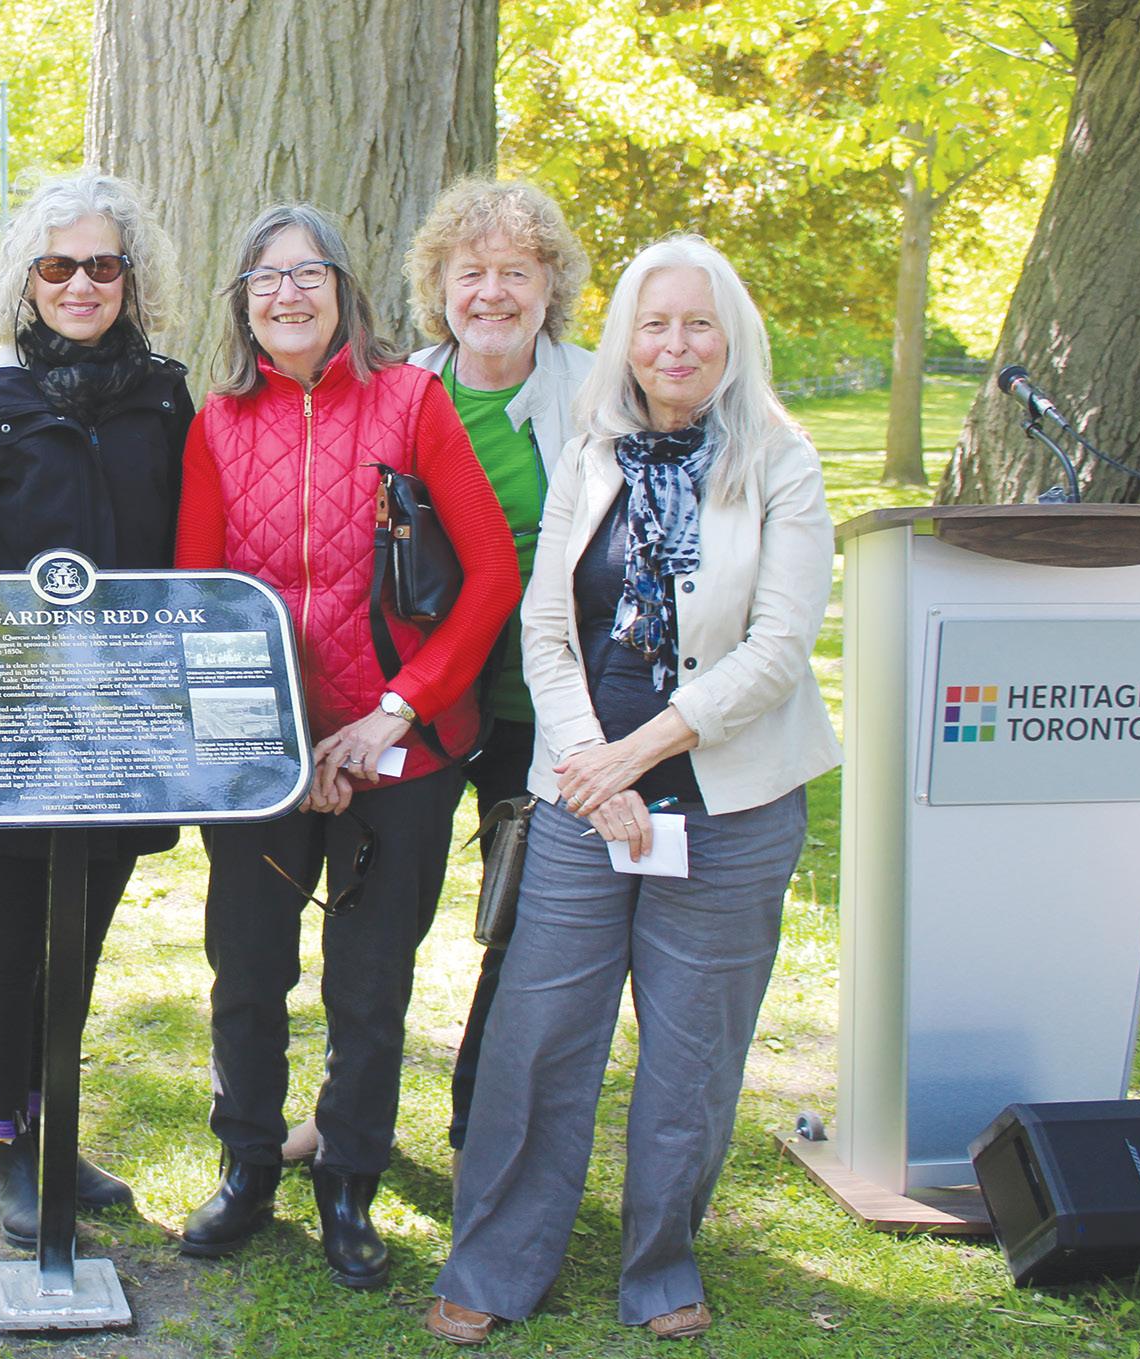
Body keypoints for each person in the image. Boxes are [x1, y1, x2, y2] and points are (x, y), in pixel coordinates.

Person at [425, 235, 840, 1346]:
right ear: (625, 341)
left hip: (726, 803)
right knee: (537, 1031)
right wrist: (586, 762)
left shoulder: (780, 461)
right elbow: (546, 629)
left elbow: (776, 649)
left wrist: (635, 755)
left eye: (698, 324)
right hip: (579, 797)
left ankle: (660, 1263)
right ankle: (494, 1259)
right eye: (654, 324)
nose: (675, 345)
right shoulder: (590, 452)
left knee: (691, 1050)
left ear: (732, 339)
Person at [173, 203, 520, 1289]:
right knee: (246, 970)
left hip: (401, 749)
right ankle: (246, 1164)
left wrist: (393, 713)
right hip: (260, 756)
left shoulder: (412, 400)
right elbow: (196, 600)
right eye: (264, 278)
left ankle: (348, 1179)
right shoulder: (216, 422)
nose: (286, 293)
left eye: (307, 273)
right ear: (242, 303)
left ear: (343, 291)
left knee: (369, 986)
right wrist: (286, 747)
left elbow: (491, 574)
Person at [281, 180, 594, 1165]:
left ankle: (479, 1126)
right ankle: (342, 1110)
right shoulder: (399, 389)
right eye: (471, 273)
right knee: (379, 923)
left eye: (516, 272)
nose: (491, 293)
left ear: (550, 286)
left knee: (524, 920)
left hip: (543, 703)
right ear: (437, 287)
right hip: (412, 699)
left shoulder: (599, 396)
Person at [0, 170, 193, 1248]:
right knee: (11, 941)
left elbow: (185, 553)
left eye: (100, 265)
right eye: (56, 265)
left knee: (78, 941)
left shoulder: (165, 395)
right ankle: (9, 1142)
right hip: (14, 724)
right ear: (26, 279)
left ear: (129, 277)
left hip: (126, 722)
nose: (79, 285)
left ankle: (55, 1130)